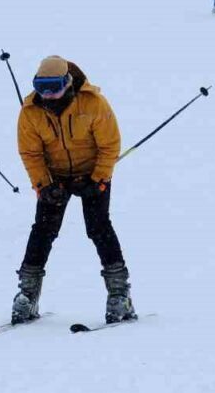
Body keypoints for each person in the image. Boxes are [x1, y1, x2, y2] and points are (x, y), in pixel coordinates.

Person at [11, 56, 134, 326]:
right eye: (41, 87)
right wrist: (44, 185)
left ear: (67, 83)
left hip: (91, 174)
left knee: (99, 227)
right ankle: (27, 293)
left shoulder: (93, 103)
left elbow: (110, 145)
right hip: (54, 177)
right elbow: (30, 153)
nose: (47, 95)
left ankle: (119, 294)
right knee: (43, 231)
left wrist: (98, 180)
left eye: (54, 87)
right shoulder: (30, 111)